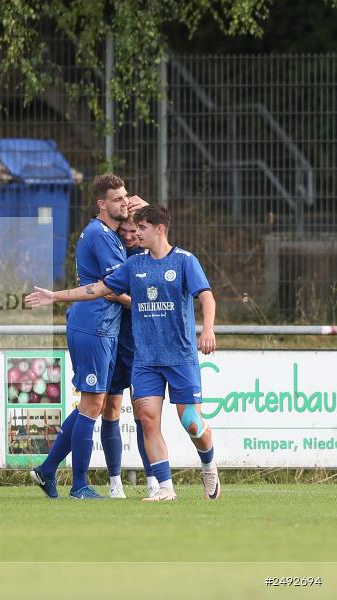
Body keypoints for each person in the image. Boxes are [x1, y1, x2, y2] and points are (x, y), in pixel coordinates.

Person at [26, 204, 221, 502]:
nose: (134, 234)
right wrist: (56, 296)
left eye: (141, 228)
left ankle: (208, 465)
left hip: (180, 356)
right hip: (146, 360)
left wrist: (208, 329)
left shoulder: (184, 261)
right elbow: (98, 288)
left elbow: (206, 296)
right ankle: (165, 488)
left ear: (159, 229)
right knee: (148, 418)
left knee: (191, 422)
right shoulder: (134, 266)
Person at [29, 173, 131, 500]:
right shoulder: (101, 236)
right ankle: (80, 485)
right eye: (117, 199)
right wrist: (152, 303)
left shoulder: (108, 234)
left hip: (101, 325)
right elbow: (116, 288)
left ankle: (47, 470)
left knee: (93, 402)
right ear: (101, 204)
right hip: (94, 325)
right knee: (92, 404)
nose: (125, 202)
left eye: (125, 197)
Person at [106, 217, 159, 498]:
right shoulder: (110, 250)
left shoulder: (149, 255)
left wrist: (124, 298)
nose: (128, 235)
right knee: (111, 409)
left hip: (140, 345)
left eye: (133, 230)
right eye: (123, 230)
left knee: (143, 414)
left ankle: (153, 479)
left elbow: (150, 299)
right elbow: (100, 287)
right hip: (113, 341)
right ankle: (115, 482)